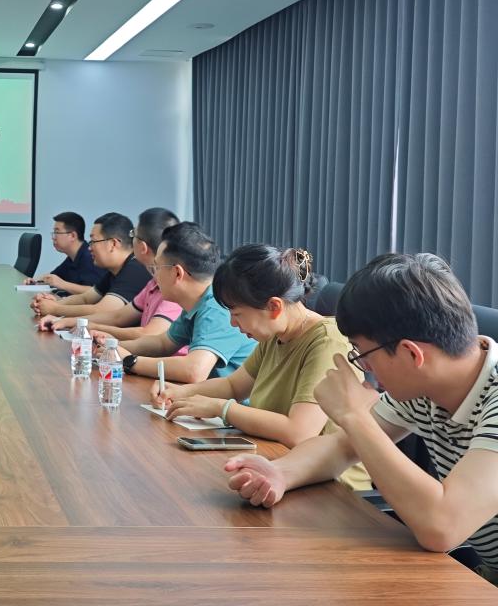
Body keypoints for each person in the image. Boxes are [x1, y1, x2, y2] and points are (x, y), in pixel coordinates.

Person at [224, 253, 498, 584]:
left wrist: (354, 416)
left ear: (411, 353)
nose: (363, 367)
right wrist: (281, 473)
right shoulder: (426, 388)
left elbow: (442, 527)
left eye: (362, 354)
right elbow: (341, 446)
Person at [153, 244, 369, 490]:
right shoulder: (276, 335)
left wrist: (221, 409)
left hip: (330, 487)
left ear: (274, 307)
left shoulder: (328, 343)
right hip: (278, 465)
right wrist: (179, 392)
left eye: (237, 314)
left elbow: (299, 432)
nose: (233, 324)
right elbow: (233, 386)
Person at [102, 222, 255, 382]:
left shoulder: (217, 306)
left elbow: (193, 371)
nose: (154, 276)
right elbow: (163, 344)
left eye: (157, 267)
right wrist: (112, 347)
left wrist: (130, 361)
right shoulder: (198, 302)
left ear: (177, 273)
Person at [42, 208, 182, 341]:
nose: (89, 247)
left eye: (133, 235)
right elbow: (117, 316)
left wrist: (56, 309)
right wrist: (66, 319)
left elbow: (149, 336)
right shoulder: (152, 282)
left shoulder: (139, 271)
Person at [31, 212, 151, 319]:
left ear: (113, 244)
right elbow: (85, 298)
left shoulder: (135, 269)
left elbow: (102, 310)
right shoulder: (115, 270)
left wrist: (55, 309)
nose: (89, 248)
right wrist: (53, 303)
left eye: (93, 241)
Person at [25, 212, 102, 294]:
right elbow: (53, 277)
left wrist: (62, 284)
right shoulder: (72, 257)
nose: (53, 238)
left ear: (72, 236)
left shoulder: (90, 257)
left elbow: (98, 293)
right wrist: (35, 281)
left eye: (57, 232)